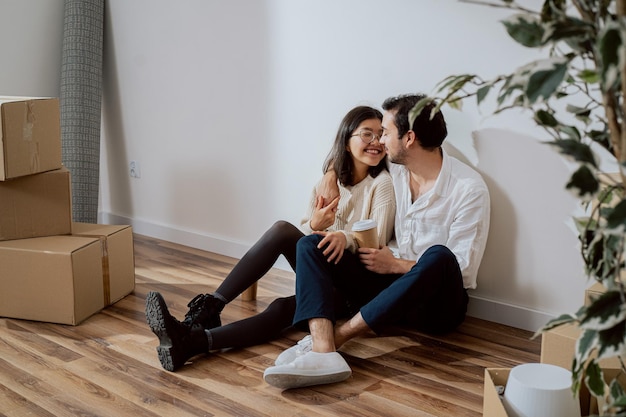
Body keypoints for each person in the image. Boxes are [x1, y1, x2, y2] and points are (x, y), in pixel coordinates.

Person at [263, 93, 491, 389]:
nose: (380, 141)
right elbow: (351, 152)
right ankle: (323, 350)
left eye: (385, 133)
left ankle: (338, 337)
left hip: (435, 307)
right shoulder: (395, 169)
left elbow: (463, 271)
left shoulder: (468, 189)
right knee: (311, 244)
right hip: (387, 292)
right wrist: (330, 174)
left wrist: (396, 265)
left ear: (408, 138)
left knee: (439, 256)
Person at [144, 105, 396, 372]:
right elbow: (307, 241)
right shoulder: (327, 183)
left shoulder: (382, 184)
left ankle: (194, 339)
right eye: (367, 135)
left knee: (282, 307)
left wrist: (342, 237)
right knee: (282, 230)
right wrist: (314, 223)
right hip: (324, 268)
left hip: (357, 283)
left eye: (381, 135)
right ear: (346, 142)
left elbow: (375, 239)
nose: (376, 142)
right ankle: (207, 311)